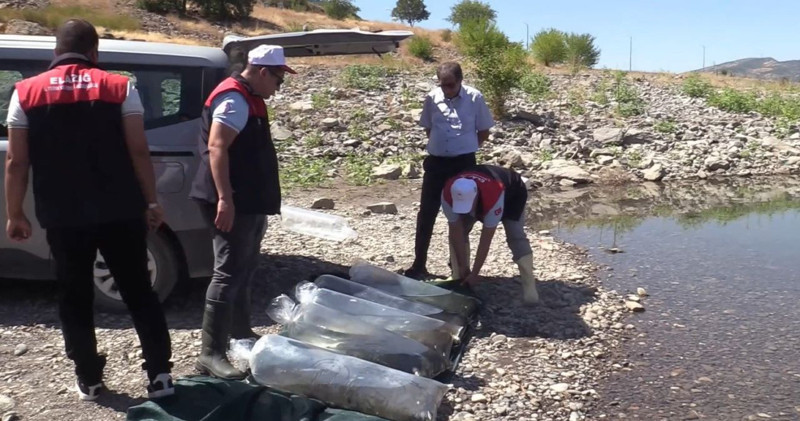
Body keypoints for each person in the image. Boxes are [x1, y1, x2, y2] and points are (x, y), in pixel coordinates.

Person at [4, 19, 174, 400]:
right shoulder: (119, 87)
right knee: (139, 293)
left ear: (55, 53)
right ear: (95, 52)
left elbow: (16, 161)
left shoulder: (25, 93)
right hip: (121, 210)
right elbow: (137, 150)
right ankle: (160, 377)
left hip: (63, 216)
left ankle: (90, 380)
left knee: (74, 296)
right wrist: (151, 201)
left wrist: (15, 213)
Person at [189, 44, 295, 379]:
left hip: (248, 201)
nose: (279, 87)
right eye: (279, 79)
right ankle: (211, 354)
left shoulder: (251, 97)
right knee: (227, 272)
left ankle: (241, 333)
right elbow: (217, 147)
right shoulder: (234, 98)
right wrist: (225, 199)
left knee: (244, 267)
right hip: (232, 200)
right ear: (263, 72)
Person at [404, 61, 495, 280]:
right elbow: (428, 127)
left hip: (463, 165)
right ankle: (419, 264)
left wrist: (464, 148)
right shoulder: (432, 98)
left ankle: (457, 263)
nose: (446, 89)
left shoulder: (475, 98)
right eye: (443, 85)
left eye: (451, 85)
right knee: (427, 213)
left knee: (463, 215)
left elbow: (484, 131)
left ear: (460, 81)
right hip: (436, 163)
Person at [441, 165, 539, 305]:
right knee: (461, 229)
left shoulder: (493, 193)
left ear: (475, 197)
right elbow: (455, 232)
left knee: (515, 236)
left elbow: (486, 239)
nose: (465, 211)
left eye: (469, 205)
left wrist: (475, 273)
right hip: (481, 190)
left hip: (512, 193)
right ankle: (458, 275)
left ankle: (529, 286)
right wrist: (463, 267)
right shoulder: (447, 194)